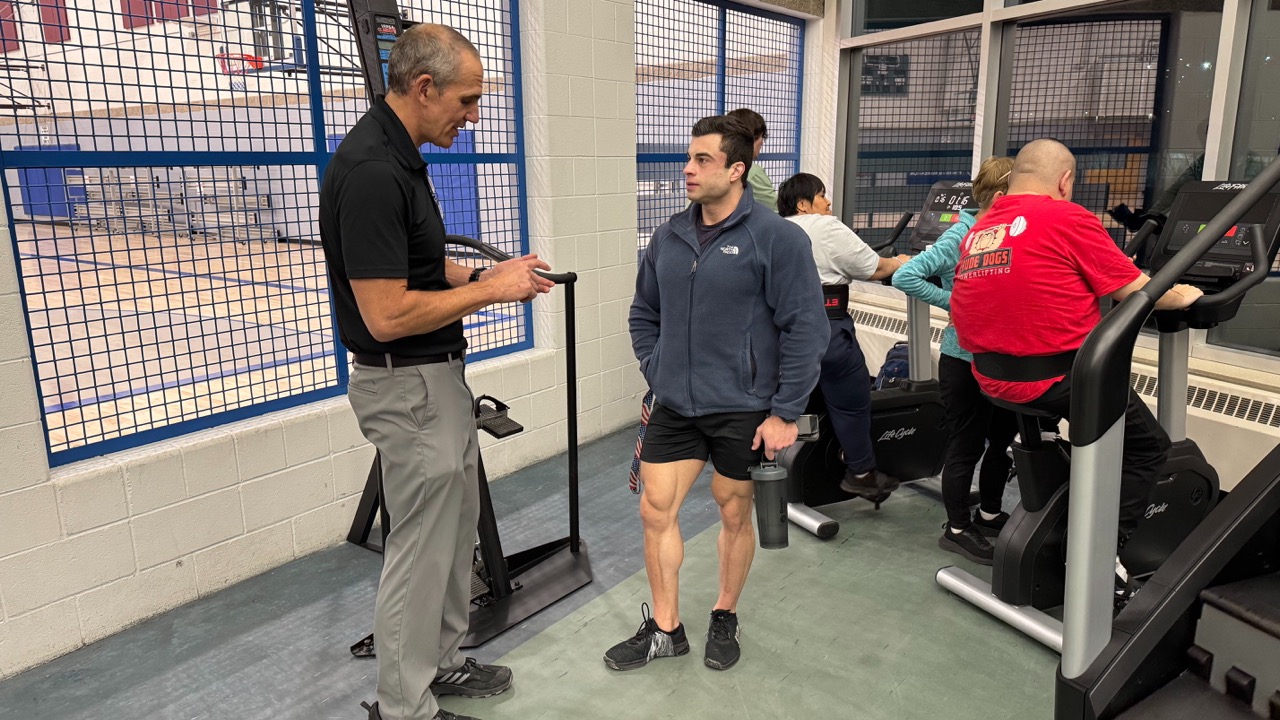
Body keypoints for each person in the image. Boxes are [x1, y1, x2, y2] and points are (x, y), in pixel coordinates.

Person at [318, 24, 554, 720]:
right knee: (422, 550)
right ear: (424, 88)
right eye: (467, 99)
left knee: (451, 538)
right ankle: (403, 707)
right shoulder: (371, 171)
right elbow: (387, 313)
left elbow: (419, 263)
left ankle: (440, 665)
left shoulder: (402, 157)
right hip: (406, 384)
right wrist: (491, 293)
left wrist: (482, 275)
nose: (472, 115)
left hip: (435, 379)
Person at [609, 115, 828, 673]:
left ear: (736, 170)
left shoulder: (777, 238)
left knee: (733, 512)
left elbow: (806, 327)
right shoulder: (668, 236)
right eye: (689, 158)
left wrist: (785, 411)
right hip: (675, 405)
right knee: (655, 509)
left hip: (744, 408)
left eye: (702, 160)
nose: (688, 169)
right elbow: (644, 312)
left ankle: (724, 613)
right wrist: (656, 367)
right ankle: (666, 629)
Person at [949, 138, 1202, 594]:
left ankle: (1072, 523)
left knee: (1086, 437)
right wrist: (1184, 295)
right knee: (1149, 447)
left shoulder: (981, 228)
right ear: (1065, 181)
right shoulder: (1068, 217)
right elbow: (1142, 292)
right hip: (1055, 379)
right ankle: (1103, 560)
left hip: (991, 377)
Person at [892, 156, 1018, 565]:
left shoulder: (1011, 233)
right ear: (999, 197)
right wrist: (956, 303)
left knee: (1002, 441)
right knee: (967, 445)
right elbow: (905, 276)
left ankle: (990, 513)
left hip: (1004, 358)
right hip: (963, 359)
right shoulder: (961, 235)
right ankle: (958, 529)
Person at [777, 172, 907, 502]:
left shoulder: (773, 230)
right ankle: (861, 473)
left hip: (780, 332)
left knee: (797, 398)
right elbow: (874, 269)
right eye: (822, 195)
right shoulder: (825, 226)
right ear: (803, 204)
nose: (828, 202)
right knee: (852, 398)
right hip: (826, 328)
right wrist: (900, 261)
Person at [727, 108, 778, 212]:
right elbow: (774, 210)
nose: (762, 142)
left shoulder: (717, 165)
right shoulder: (752, 172)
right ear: (752, 138)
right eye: (761, 136)